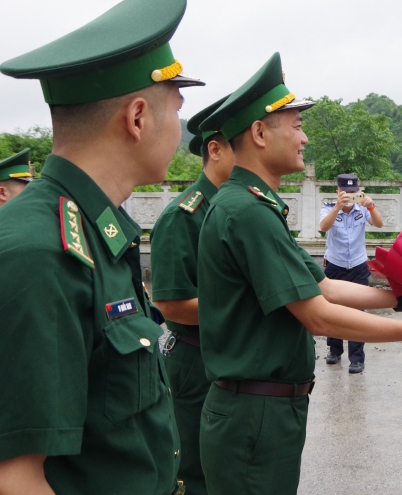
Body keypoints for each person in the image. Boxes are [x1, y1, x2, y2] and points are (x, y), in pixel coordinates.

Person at [195, 52, 402, 495]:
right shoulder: (246, 212)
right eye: (295, 126)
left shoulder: (251, 206)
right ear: (259, 132)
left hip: (260, 409)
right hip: (254, 414)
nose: (305, 137)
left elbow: (324, 286)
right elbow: (319, 316)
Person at [0, 0, 204, 493]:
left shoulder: (96, 231)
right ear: (137, 118)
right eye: (176, 110)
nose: (181, 130)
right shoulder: (43, 252)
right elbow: (17, 479)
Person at [149, 94, 234, 495]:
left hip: (233, 356)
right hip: (195, 360)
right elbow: (170, 304)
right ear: (214, 151)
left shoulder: (240, 211)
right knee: (195, 474)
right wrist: (248, 311)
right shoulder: (183, 216)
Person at [319, 173, 385, 373]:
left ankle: (357, 358)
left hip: (357, 265)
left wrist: (371, 206)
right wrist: (338, 207)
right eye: (345, 192)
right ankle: (334, 350)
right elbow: (323, 227)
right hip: (335, 265)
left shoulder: (362, 209)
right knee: (333, 309)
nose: (349, 196)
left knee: (358, 311)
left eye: (353, 192)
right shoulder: (328, 208)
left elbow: (380, 224)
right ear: (337, 192)